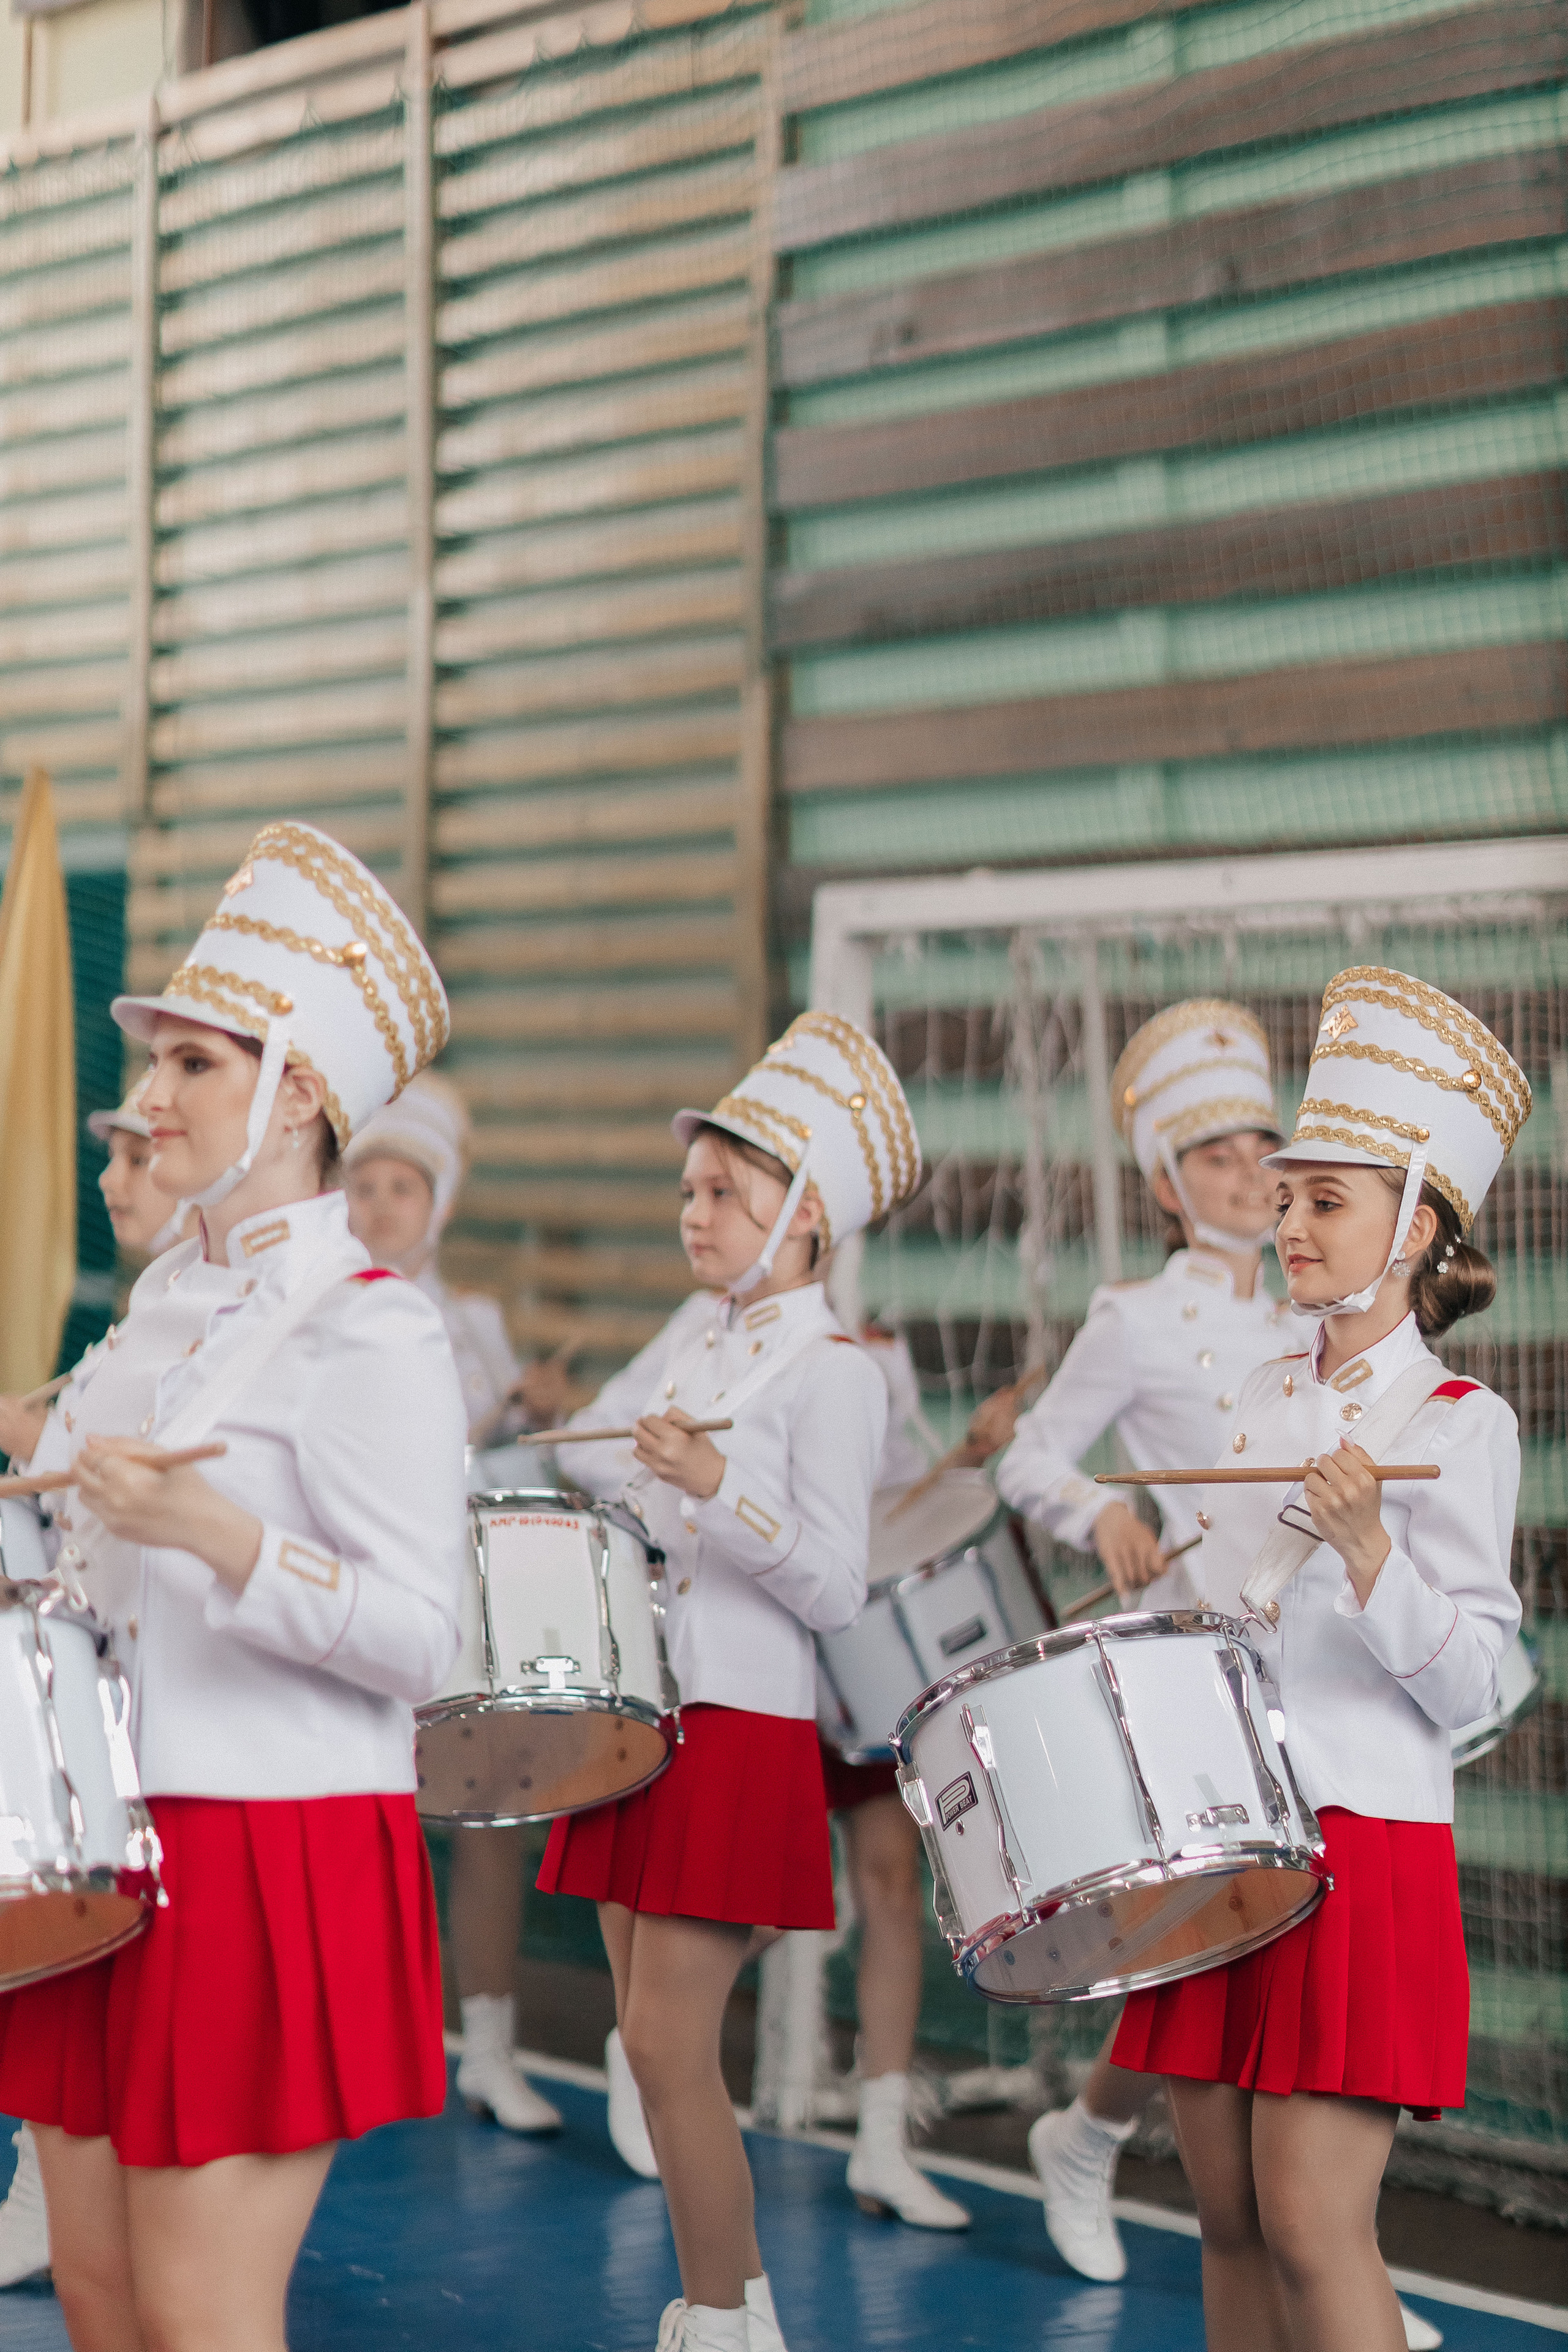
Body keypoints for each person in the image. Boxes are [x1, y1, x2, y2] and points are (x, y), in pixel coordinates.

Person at [0, 820, 468, 2352]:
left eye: (194, 1065)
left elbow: (424, 1636)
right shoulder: (160, 1305)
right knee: (100, 2301)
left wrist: (220, 1539)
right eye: (165, 1063)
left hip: (268, 1854)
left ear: (300, 1093)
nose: (152, 1100)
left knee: (202, 2318)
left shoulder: (373, 1329)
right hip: (104, 1841)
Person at [1110, 965, 1525, 2352]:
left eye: (1322, 1200)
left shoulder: (1462, 1424)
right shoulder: (1257, 1393)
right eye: (1284, 1196)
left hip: (1361, 1844)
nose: (1286, 1221)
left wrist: (1369, 1560)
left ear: (1413, 1228)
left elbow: (1475, 1688)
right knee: (1220, 2212)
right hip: (1229, 1832)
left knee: (1306, 2215)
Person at [535, 1012, 921, 2352]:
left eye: (721, 1190)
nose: (690, 1211)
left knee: (660, 2047)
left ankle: (721, 2316)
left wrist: (716, 1490)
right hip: (639, 1718)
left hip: (742, 1727)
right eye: (689, 1188)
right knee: (654, 2048)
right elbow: (593, 1458)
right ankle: (734, 2306)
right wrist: (648, 1477)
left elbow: (832, 1589)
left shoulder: (835, 1372)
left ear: (803, 1211)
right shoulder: (700, 1341)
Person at [963, 1001, 1289, 2280]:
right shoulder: (1134, 1318)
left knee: (1249, 1940)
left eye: (1263, 1149)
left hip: (1298, 1659)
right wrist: (1102, 1509)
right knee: (1202, 1936)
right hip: (1194, 1671)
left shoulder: (1311, 1319)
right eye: (1214, 1156)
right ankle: (1108, 2149)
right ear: (1164, 1180)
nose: (1249, 1176)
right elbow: (1030, 1454)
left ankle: (1288, 2238)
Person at [343, 1071, 568, 2136]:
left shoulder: (473, 1320)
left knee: (487, 1831)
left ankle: (487, 2049)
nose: (382, 1205)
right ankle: (354, 2044)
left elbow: (506, 1474)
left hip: (468, 1609)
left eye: (404, 1187)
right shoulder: (325, 1311)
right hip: (356, 1607)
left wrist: (532, 1414)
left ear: (438, 1205)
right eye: (367, 1184)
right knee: (356, 1828)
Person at [0, 1094, 196, 2293]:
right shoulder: (137, 1326)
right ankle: (44, 2190)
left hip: (149, 1735)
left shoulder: (208, 1329)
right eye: (110, 1159)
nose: (114, 1182)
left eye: (138, 1158)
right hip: (95, 1721)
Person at [818, 1324, 970, 2231]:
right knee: (756, 1910)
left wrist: (965, 1461)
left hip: (865, 1654)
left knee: (891, 1885)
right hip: (777, 1665)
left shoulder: (878, 1347)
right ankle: (655, 2049)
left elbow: (897, 1507)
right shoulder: (714, 1335)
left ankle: (881, 2141)